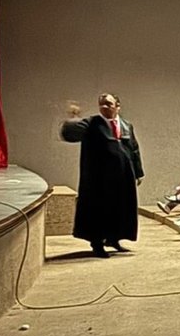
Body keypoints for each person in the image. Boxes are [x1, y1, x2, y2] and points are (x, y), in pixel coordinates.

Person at [61, 93, 143, 256]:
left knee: (120, 208)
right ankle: (97, 244)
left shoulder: (126, 125)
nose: (104, 107)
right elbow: (70, 134)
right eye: (102, 104)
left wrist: (138, 172)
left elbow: (134, 148)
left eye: (108, 104)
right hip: (99, 178)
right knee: (99, 210)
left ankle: (114, 239)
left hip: (123, 176)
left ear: (117, 106)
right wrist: (73, 119)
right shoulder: (92, 123)